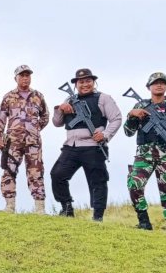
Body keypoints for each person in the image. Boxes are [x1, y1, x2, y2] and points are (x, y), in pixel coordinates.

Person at [124, 72, 166, 234]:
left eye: (162, 82)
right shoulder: (140, 105)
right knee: (134, 184)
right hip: (144, 153)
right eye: (155, 83)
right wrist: (131, 115)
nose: (159, 85)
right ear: (149, 87)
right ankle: (143, 221)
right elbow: (128, 132)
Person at [50, 68, 122, 222]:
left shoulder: (103, 98)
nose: (85, 84)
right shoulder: (69, 100)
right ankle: (67, 207)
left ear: (93, 82)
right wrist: (60, 109)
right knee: (57, 174)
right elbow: (57, 123)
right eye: (81, 82)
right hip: (72, 146)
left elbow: (116, 118)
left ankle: (98, 216)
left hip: (93, 146)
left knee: (98, 181)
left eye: (88, 81)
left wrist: (105, 135)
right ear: (76, 84)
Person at [0, 65, 49, 213]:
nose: (25, 78)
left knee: (36, 172)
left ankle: (39, 208)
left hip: (33, 143)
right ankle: (9, 206)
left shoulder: (38, 96)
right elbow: (0, 118)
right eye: (22, 75)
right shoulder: (8, 97)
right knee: (9, 170)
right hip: (13, 142)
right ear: (16, 78)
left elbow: (45, 116)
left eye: (27, 75)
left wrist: (35, 129)